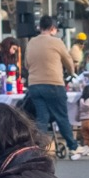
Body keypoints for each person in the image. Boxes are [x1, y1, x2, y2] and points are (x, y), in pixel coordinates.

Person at [22, 20, 77, 154]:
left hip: (35, 85)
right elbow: (68, 61)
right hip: (53, 84)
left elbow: (26, 64)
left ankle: (40, 148)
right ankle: (73, 147)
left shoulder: (31, 42)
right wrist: (71, 72)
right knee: (61, 116)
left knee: (42, 118)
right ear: (52, 28)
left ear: (40, 27)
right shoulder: (57, 42)